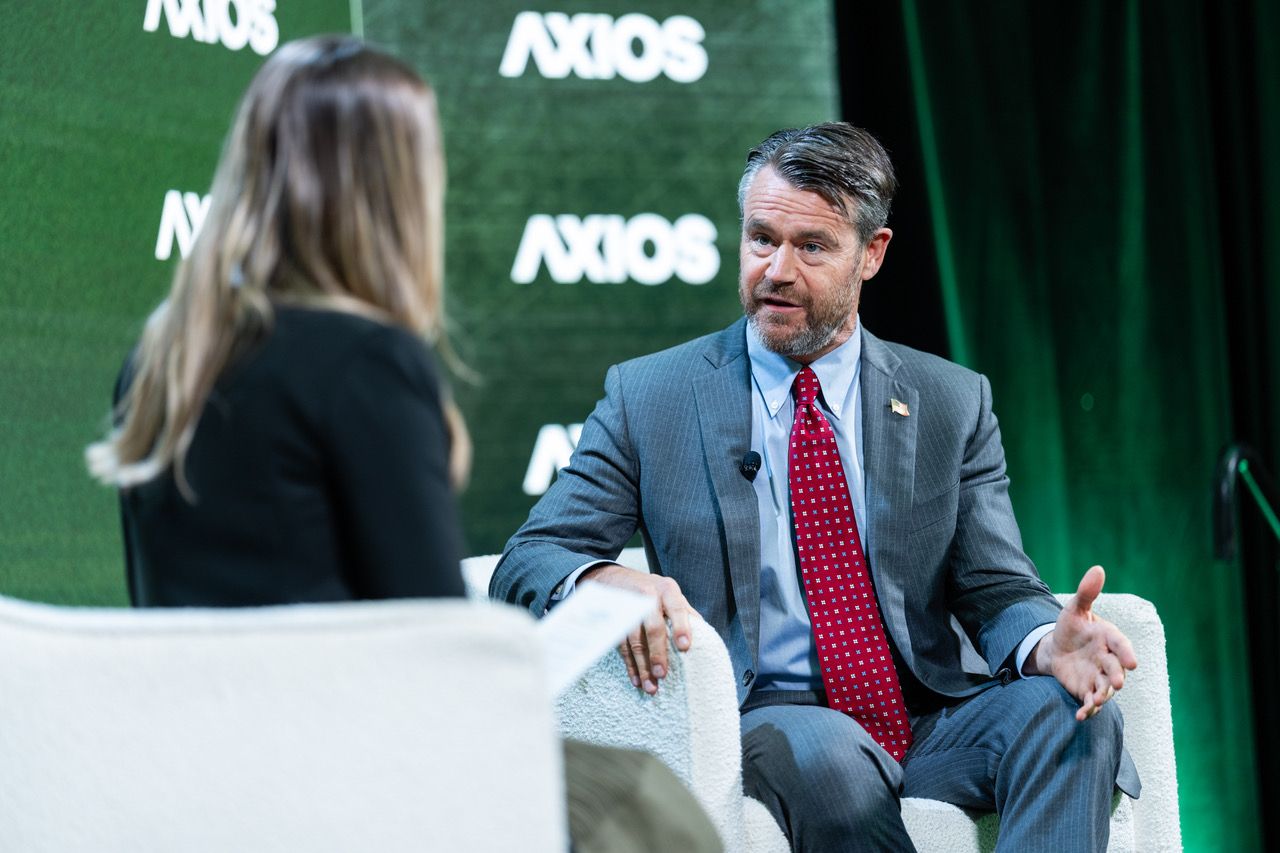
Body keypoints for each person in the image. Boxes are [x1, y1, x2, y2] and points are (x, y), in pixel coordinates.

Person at [87, 36, 721, 853]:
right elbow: (435, 654)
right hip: (356, 774)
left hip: (206, 772)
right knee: (644, 801)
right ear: (390, 189)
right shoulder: (367, 362)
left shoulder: (162, 357)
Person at [493, 123, 1141, 852]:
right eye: (761, 238)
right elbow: (531, 557)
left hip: (925, 716)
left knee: (1073, 716)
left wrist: (1040, 644)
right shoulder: (653, 397)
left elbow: (993, 585)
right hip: (767, 714)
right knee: (831, 751)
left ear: (873, 253)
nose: (776, 270)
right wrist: (605, 575)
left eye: (811, 246)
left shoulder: (950, 401)